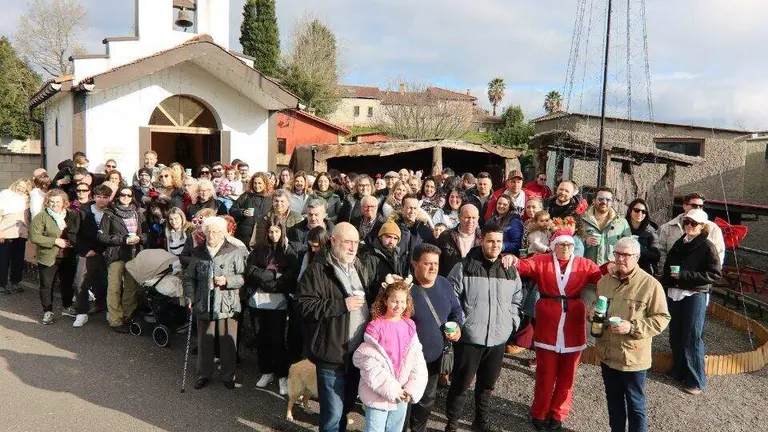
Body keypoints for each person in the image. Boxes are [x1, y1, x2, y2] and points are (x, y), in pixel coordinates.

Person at [510, 220, 605, 431]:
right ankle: (539, 411)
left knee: (568, 375)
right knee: (545, 373)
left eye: (570, 245)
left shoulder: (584, 264)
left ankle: (558, 413)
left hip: (573, 321)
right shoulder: (543, 261)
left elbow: (603, 277)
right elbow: (524, 265)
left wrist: (614, 267)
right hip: (548, 322)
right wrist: (511, 259)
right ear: (554, 245)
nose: (566, 248)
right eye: (562, 245)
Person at [295, 222, 375, 432]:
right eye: (348, 242)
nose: (353, 247)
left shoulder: (357, 266)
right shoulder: (317, 270)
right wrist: (341, 305)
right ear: (333, 241)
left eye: (356, 242)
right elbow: (303, 306)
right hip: (331, 353)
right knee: (332, 415)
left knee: (345, 408)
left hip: (356, 354)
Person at [444, 222, 523, 432]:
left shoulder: (509, 270)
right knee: (461, 384)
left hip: (498, 338)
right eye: (490, 241)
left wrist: (511, 322)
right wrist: (461, 324)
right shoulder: (464, 266)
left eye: (499, 241)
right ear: (482, 241)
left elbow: (517, 299)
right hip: (470, 338)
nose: (495, 245)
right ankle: (452, 423)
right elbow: (452, 300)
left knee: (487, 386)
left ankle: (481, 422)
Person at [595, 237, 670, 432]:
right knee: (614, 403)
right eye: (617, 254)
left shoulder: (650, 285)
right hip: (608, 354)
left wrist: (632, 327)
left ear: (636, 257)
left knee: (636, 406)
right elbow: (597, 307)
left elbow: (662, 318)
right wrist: (592, 312)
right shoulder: (604, 282)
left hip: (632, 357)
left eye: (625, 255)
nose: (620, 259)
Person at [401, 243, 463, 432]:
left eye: (435, 263)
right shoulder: (406, 290)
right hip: (407, 361)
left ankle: (418, 429)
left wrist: (458, 326)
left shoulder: (444, 283)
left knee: (427, 400)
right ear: (415, 264)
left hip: (435, 358)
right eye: (427, 263)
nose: (433, 268)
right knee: (405, 401)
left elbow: (456, 310)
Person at [353, 278, 428, 432]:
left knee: (395, 429)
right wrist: (392, 389)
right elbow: (370, 364)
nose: (398, 305)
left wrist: (412, 388)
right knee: (375, 429)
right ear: (386, 301)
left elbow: (417, 360)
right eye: (394, 301)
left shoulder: (409, 326)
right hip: (377, 391)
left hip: (402, 393)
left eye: (402, 301)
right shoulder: (376, 326)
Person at [660, 209, 721, 396]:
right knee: (676, 333)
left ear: (702, 227)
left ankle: (696, 379)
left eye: (694, 223)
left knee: (692, 337)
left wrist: (685, 275)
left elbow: (714, 275)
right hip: (675, 292)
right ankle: (679, 370)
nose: (689, 225)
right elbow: (668, 266)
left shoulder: (708, 246)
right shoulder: (680, 242)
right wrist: (665, 284)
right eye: (687, 221)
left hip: (694, 294)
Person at [184, 216, 247, 391]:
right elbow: (189, 277)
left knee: (228, 343)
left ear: (223, 233)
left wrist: (227, 280)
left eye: (216, 232)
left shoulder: (234, 250)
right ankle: (204, 375)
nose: (212, 235)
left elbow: (242, 277)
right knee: (205, 343)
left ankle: (228, 375)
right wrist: (190, 297)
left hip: (227, 304)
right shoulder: (198, 252)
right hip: (204, 302)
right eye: (209, 231)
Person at [247, 216, 300, 395]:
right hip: (258, 301)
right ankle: (266, 371)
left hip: (278, 301)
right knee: (261, 338)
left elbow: (290, 275)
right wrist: (271, 276)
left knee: (277, 339)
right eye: (270, 231)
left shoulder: (288, 250)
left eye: (277, 231)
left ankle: (281, 375)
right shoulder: (259, 249)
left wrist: (271, 280)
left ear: (282, 231)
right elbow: (251, 270)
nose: (273, 235)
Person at [97, 186, 145, 333]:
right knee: (114, 288)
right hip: (116, 255)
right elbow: (101, 236)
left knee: (131, 287)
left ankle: (128, 316)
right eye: (123, 194)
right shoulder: (110, 213)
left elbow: (147, 234)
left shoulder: (138, 213)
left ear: (132, 197)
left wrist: (139, 238)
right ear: (118, 196)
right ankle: (115, 320)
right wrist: (123, 240)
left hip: (133, 255)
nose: (125, 197)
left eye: (128, 195)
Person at [29, 189, 78, 325]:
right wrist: (55, 241)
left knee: (67, 283)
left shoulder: (71, 215)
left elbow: (76, 232)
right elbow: (34, 236)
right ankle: (48, 311)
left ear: (64, 203)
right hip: (48, 256)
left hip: (68, 255)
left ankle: (67, 307)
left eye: (58, 202)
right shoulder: (42, 216)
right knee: (46, 285)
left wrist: (73, 242)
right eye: (52, 202)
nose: (54, 204)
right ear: (47, 202)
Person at [70, 184, 113, 327]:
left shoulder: (112, 212)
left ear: (109, 198)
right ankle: (82, 313)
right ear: (93, 197)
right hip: (86, 252)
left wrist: (101, 249)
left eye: (105, 197)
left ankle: (107, 309)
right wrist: (84, 249)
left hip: (105, 252)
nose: (101, 200)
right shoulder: (83, 211)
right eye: (99, 197)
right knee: (80, 282)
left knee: (106, 282)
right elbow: (73, 233)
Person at [657, 192, 725, 270]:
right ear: (684, 206)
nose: (698, 208)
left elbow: (719, 254)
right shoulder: (667, 227)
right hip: (673, 276)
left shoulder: (713, 228)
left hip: (699, 278)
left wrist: (706, 276)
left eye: (701, 206)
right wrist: (666, 273)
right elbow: (661, 252)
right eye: (694, 206)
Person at [581, 187, 631, 266]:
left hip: (611, 270)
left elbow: (629, 246)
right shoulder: (582, 220)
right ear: (594, 200)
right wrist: (584, 241)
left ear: (611, 202)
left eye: (608, 200)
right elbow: (572, 241)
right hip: (586, 269)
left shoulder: (621, 223)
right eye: (601, 199)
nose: (604, 202)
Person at [0, 179, 31, 295]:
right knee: (3, 260)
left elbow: (27, 217)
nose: (21, 189)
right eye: (20, 186)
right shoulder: (5, 194)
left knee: (18, 260)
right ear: (15, 184)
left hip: (21, 232)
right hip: (5, 232)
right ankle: (2, 285)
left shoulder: (26, 199)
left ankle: (15, 282)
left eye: (24, 188)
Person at [435, 204, 481, 277]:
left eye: (473, 218)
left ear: (478, 218)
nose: (470, 221)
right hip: (449, 281)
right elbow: (437, 261)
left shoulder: (483, 238)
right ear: (459, 217)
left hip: (474, 282)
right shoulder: (446, 236)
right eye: (467, 217)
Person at [230, 172, 273, 247]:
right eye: (255, 183)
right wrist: (242, 212)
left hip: (263, 235)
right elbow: (232, 211)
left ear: (265, 184)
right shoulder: (246, 196)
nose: (257, 186)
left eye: (259, 183)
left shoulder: (271, 198)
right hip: (244, 236)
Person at [393, 194, 435, 264]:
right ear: (402, 208)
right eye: (409, 208)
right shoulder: (392, 228)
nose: (412, 211)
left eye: (415, 208)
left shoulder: (425, 231)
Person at [625, 198, 661, 275]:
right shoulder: (621, 227)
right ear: (630, 210)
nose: (640, 213)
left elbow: (656, 256)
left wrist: (638, 247)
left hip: (643, 271)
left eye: (643, 211)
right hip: (623, 268)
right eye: (636, 210)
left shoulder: (650, 231)